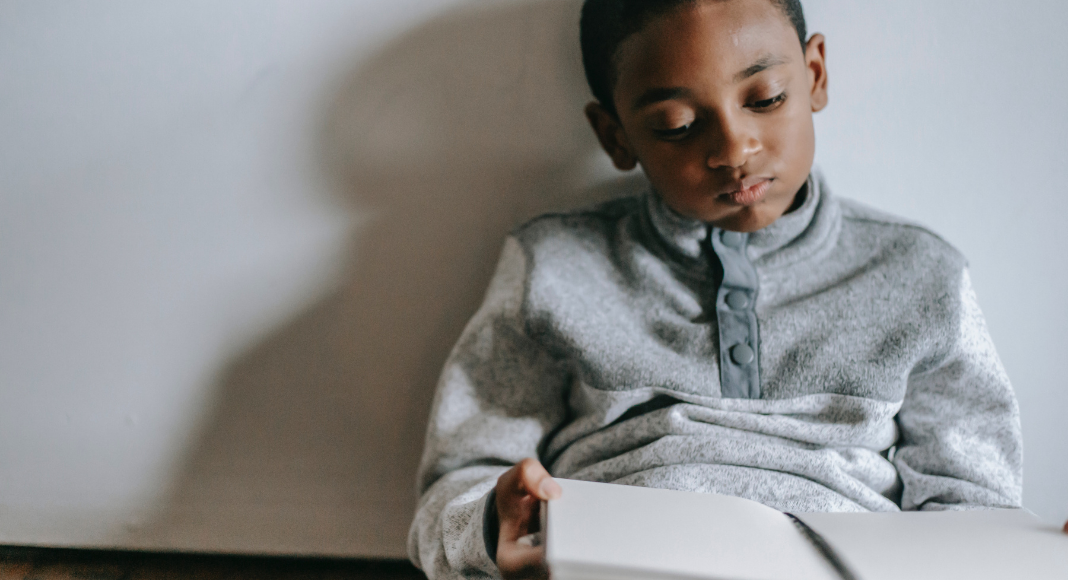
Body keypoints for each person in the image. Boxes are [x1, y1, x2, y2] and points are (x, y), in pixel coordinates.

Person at [407, 1, 1030, 579]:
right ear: (617, 137)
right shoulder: (554, 265)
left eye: (766, 98)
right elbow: (456, 485)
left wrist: (1007, 552)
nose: (734, 149)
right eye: (677, 126)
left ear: (815, 75)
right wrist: (491, 526)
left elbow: (972, 496)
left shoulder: (920, 272)